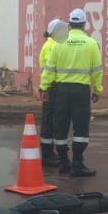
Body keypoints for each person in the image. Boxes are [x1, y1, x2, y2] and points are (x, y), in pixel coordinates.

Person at [40, 9, 102, 177]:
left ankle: (63, 161)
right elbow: (97, 70)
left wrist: (44, 88)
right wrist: (97, 89)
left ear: (69, 23)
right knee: (81, 126)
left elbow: (49, 69)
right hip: (81, 91)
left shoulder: (59, 43)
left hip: (61, 90)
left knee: (61, 124)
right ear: (84, 24)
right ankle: (77, 163)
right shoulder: (91, 43)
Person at [39, 19, 62, 167]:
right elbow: (49, 69)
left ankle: (50, 152)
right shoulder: (50, 46)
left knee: (54, 120)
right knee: (49, 121)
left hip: (54, 87)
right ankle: (47, 154)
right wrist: (45, 88)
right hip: (51, 87)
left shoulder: (54, 45)